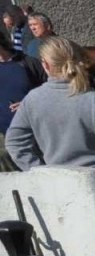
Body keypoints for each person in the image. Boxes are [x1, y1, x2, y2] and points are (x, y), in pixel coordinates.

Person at [4, 36, 95, 171]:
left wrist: (39, 171)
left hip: (55, 179)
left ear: (45, 65)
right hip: (94, 178)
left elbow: (14, 142)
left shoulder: (32, 99)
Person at [0, 39, 45, 171]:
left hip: (32, 134)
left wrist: (29, 104)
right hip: (3, 138)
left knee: (39, 173)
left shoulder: (28, 63)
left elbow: (51, 93)